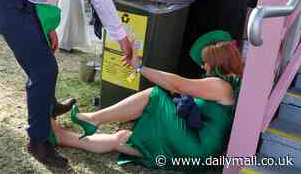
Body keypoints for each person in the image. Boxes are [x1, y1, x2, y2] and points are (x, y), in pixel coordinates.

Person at [0, 0, 134, 169]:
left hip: (26, 0)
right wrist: (121, 37)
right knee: (43, 70)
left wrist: (49, 24)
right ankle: (38, 141)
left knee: (44, 64)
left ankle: (50, 106)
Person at [50, 31, 243, 171]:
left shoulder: (220, 86)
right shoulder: (232, 84)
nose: (203, 66)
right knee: (122, 138)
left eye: (204, 61)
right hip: (197, 153)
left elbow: (178, 85)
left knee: (155, 94)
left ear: (217, 61)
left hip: (197, 148)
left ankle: (93, 118)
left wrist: (140, 67)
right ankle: (63, 137)